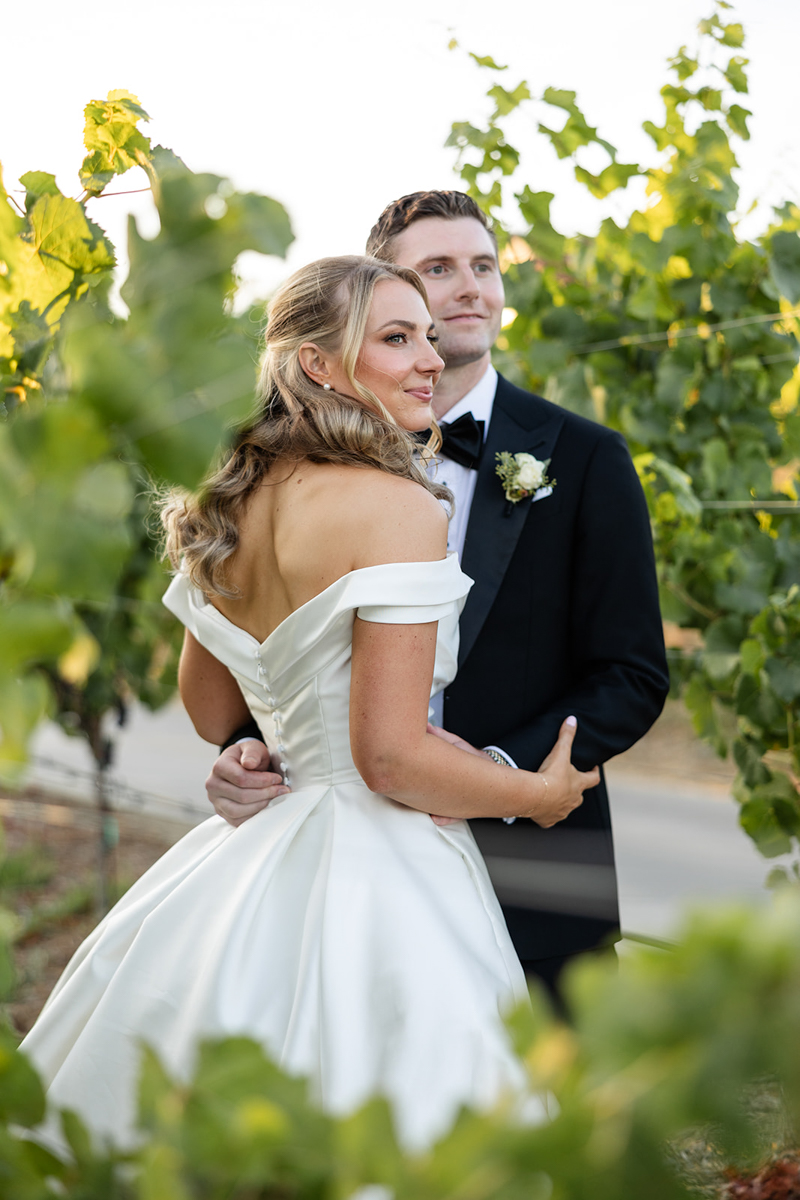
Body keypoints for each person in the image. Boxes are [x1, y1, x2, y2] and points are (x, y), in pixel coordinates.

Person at [21, 256, 599, 1153]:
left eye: (432, 340)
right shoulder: (404, 507)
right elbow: (391, 757)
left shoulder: (228, 503)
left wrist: (262, 745)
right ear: (322, 366)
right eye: (397, 338)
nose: (429, 364)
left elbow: (214, 711)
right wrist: (539, 794)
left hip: (251, 848)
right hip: (380, 860)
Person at [204, 192, 671, 1006]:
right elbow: (264, 667)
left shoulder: (588, 457)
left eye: (484, 266)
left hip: (537, 864)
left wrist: (497, 774)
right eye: (438, 270)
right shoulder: (293, 485)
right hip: (337, 854)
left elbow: (631, 671)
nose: (468, 289)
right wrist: (250, 748)